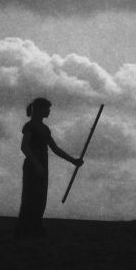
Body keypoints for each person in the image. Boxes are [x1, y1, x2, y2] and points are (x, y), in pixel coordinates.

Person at [17, 98, 83, 238]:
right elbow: (24, 147)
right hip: (33, 166)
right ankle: (25, 230)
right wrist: (36, 164)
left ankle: (36, 227)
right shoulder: (30, 126)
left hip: (42, 165)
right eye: (47, 108)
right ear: (40, 109)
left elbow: (55, 149)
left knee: (41, 198)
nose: (49, 111)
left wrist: (73, 161)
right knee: (30, 198)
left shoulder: (45, 129)